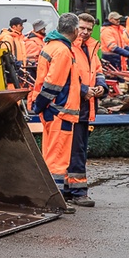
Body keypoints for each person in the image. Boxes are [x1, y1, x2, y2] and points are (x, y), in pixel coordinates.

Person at [29, 12, 82, 212]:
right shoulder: (62, 51)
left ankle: (52, 199)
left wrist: (40, 106)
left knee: (51, 155)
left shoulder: (52, 45)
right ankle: (55, 202)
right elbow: (54, 83)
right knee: (57, 159)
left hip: (53, 110)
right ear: (75, 30)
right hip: (60, 112)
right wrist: (42, 105)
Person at [68, 13, 106, 207]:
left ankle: (70, 190)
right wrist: (84, 90)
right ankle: (77, 192)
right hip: (71, 105)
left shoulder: (90, 47)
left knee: (78, 150)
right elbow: (66, 77)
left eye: (89, 29)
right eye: (82, 28)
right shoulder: (68, 48)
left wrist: (101, 86)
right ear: (75, 27)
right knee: (75, 151)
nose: (85, 32)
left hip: (83, 106)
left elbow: (98, 71)